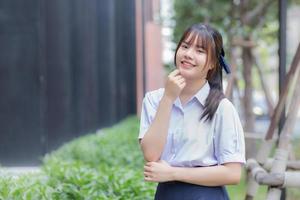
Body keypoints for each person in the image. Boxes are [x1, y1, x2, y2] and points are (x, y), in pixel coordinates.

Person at [138, 23, 245, 200]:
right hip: (167, 194)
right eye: (185, 46)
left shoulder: (222, 108)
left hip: (206, 195)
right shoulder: (154, 100)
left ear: (212, 63)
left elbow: (232, 174)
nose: (188, 54)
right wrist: (168, 99)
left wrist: (173, 173)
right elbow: (151, 154)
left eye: (200, 51)